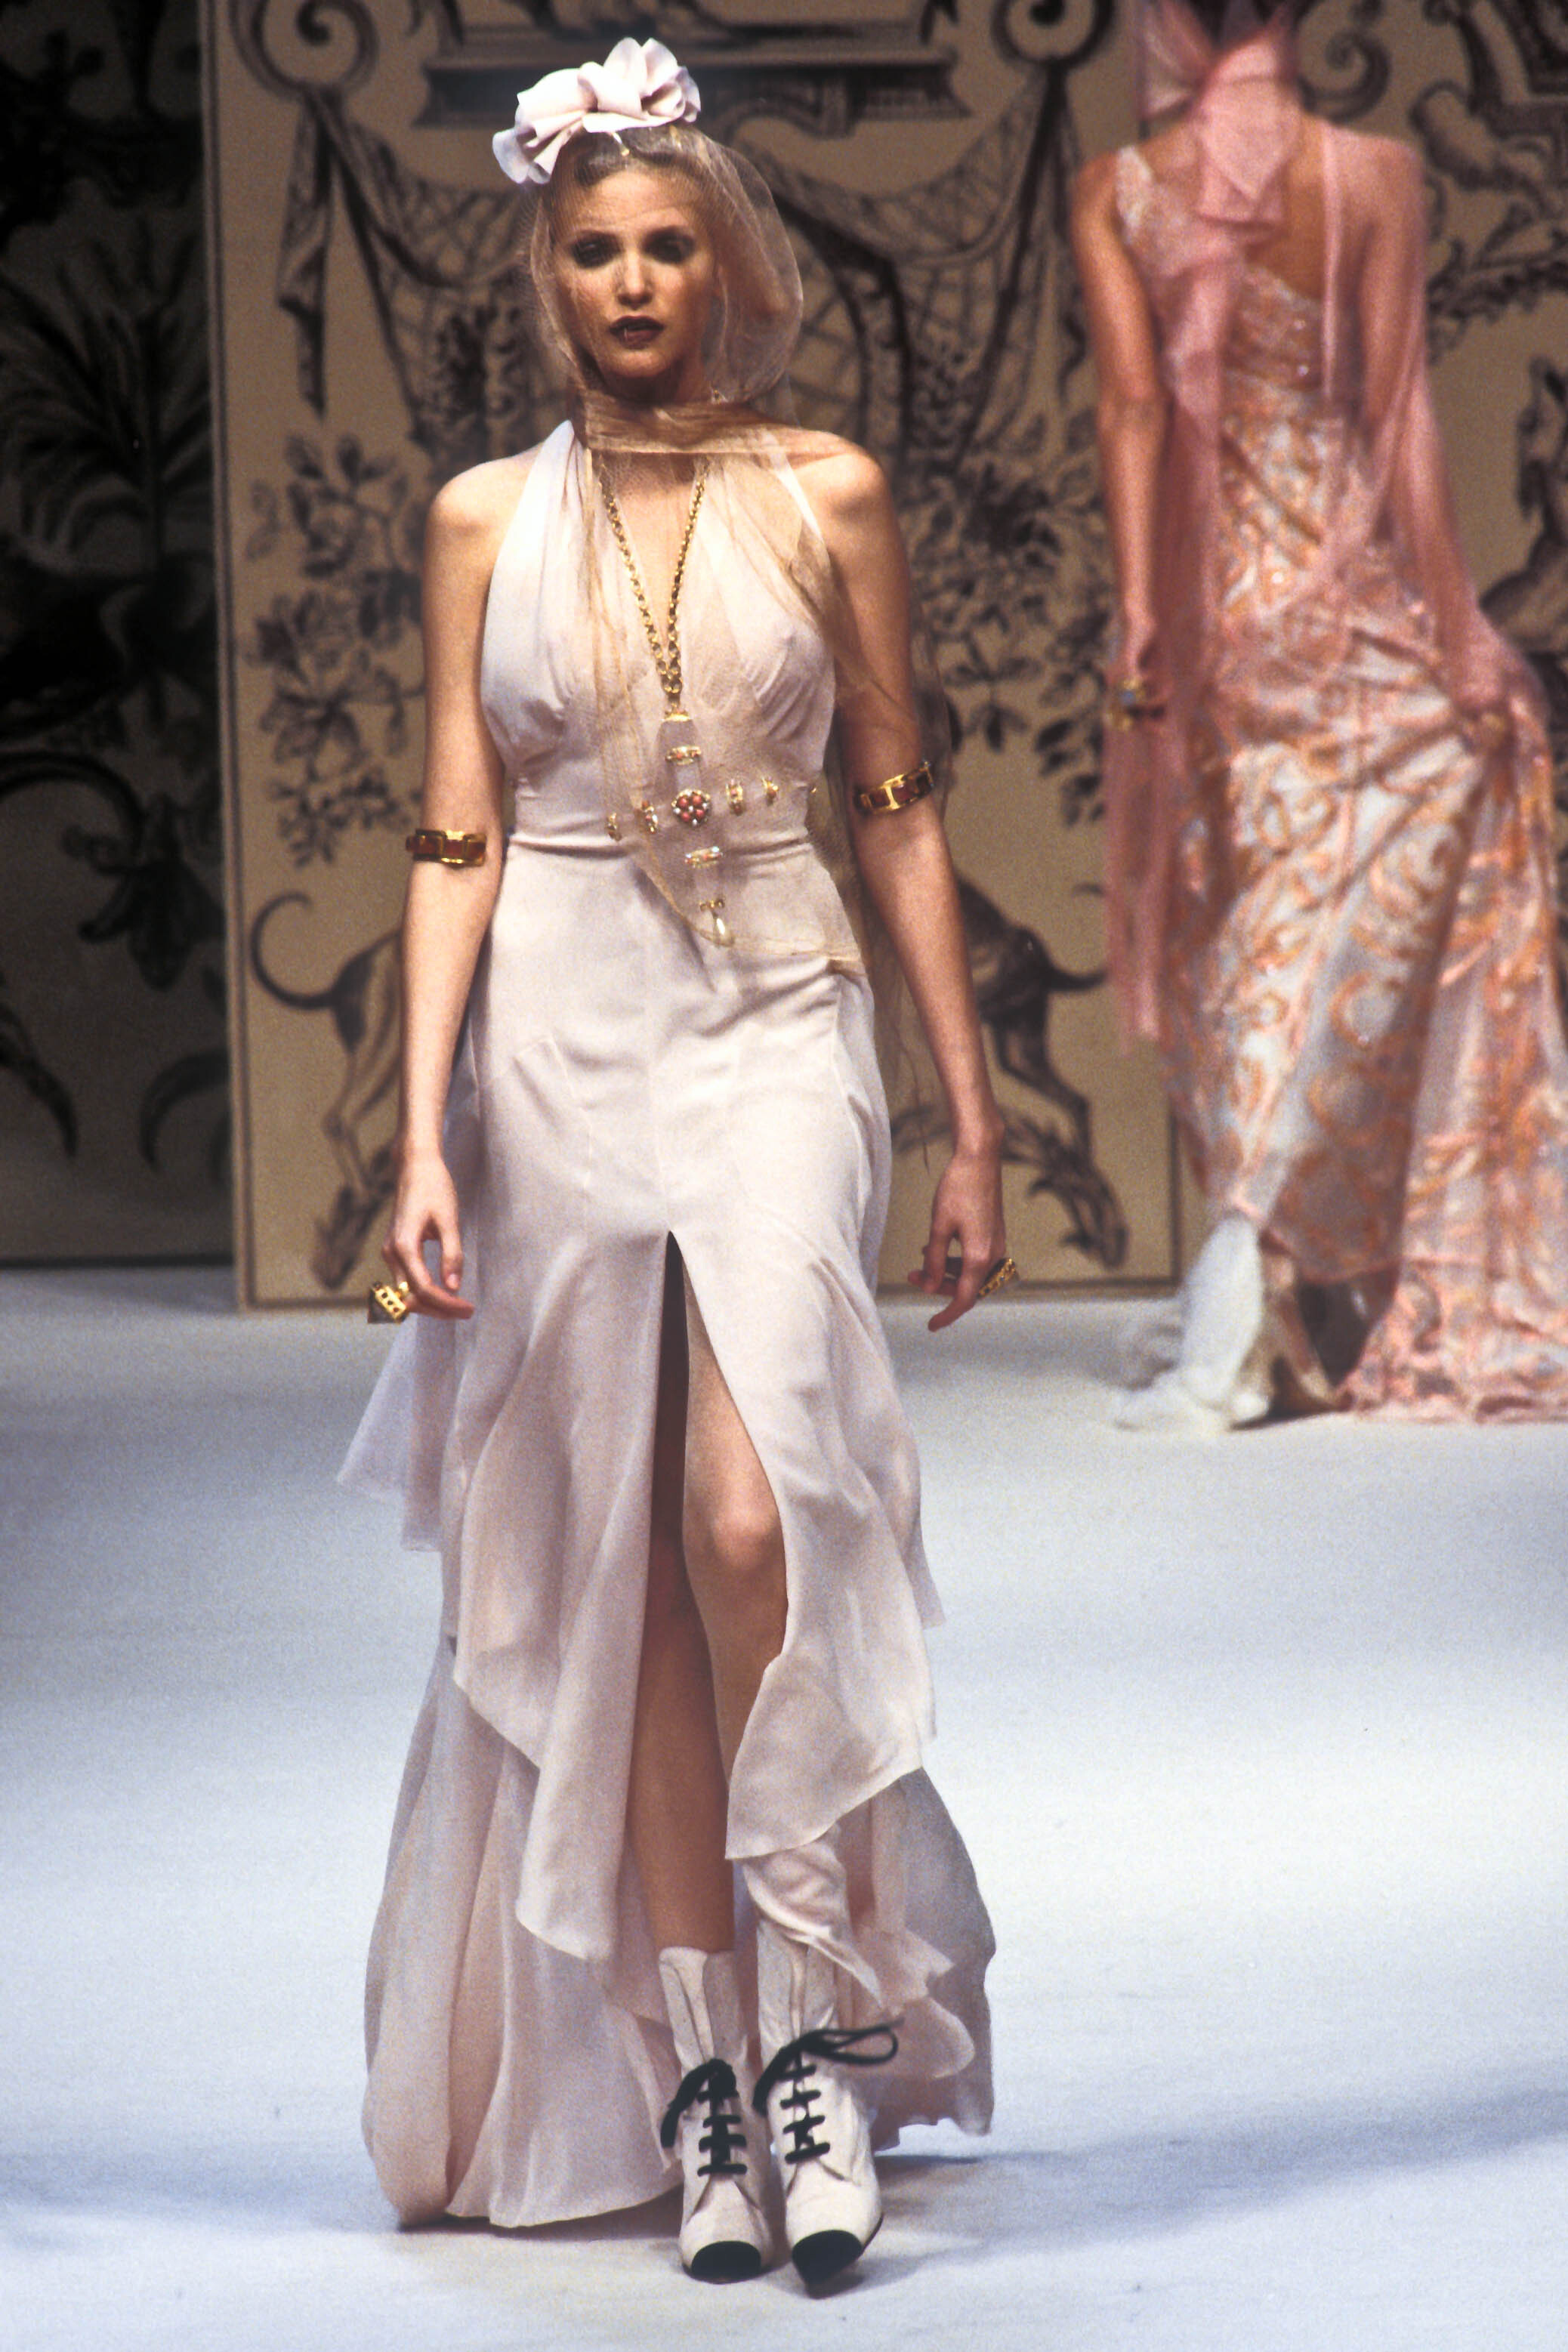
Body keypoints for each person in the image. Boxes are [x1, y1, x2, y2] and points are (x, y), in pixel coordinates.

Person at [341, 38, 1009, 2290]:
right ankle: (714, 2082)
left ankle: (818, 2022)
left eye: (666, 248)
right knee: (619, 1559)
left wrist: (972, 1111)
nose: (632, 284)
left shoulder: (828, 494)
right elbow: (452, 832)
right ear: (548, 277)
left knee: (750, 1514)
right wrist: (417, 1130)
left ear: (727, 269)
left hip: (777, 1020)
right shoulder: (481, 521)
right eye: (595, 252)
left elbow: (894, 803)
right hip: (555, 1031)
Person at [1072, 0, 1568, 1428]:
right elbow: (1398, 412)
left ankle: (1272, 1271)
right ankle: (1275, 1269)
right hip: (1351, 597)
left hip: (1217, 608)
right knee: (1317, 927)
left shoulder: (1119, 187)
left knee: (1263, 933)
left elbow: (1130, 412)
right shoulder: (1370, 174)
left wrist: (1142, 613)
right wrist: (1455, 626)